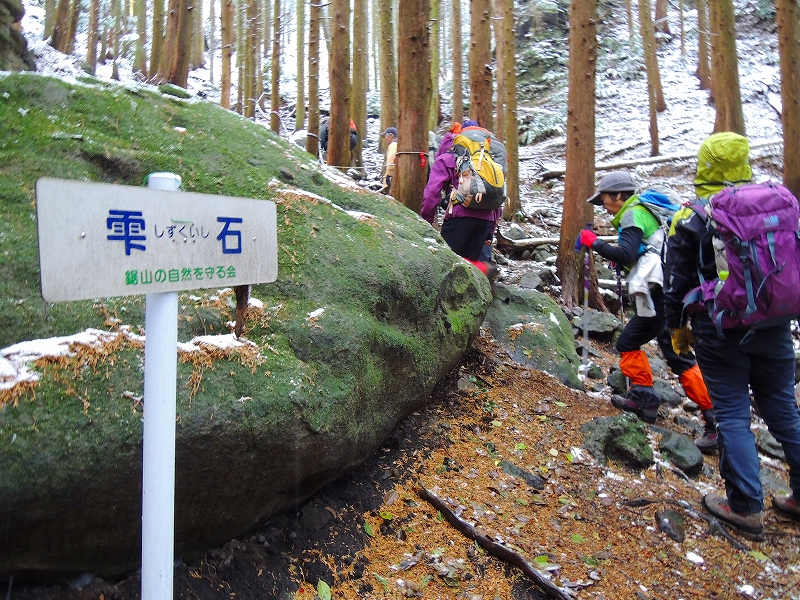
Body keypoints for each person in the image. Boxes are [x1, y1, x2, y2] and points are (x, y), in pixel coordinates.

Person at [663, 132, 800, 538]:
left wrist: (678, 332)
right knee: (784, 411)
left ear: (704, 164)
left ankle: (744, 506)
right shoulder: (777, 204)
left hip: (719, 329)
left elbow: (675, 285)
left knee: (732, 415)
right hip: (775, 324)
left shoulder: (692, 216)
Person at [579, 171, 717, 452]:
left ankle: (714, 420)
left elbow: (626, 253)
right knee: (659, 348)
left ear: (618, 195)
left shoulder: (633, 214)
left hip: (661, 297)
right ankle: (648, 401)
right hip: (671, 293)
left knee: (670, 354)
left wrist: (594, 242)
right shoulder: (644, 211)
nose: (603, 205)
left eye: (604, 199)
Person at [420, 120, 501, 279]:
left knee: (447, 264)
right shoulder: (488, 161)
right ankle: (481, 269)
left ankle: (483, 269)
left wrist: (425, 220)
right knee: (467, 270)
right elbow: (496, 196)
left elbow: (432, 192)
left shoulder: (447, 159)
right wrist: (490, 231)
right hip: (485, 220)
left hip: (459, 217)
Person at [381, 127, 397, 196]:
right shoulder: (397, 144)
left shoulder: (393, 145)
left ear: (390, 136)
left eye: (385, 136)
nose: (384, 139)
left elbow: (391, 160)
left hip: (392, 178)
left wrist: (388, 175)